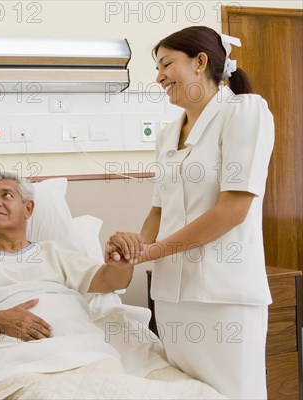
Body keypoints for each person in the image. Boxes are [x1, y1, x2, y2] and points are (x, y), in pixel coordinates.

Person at [107, 26, 274, 399]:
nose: (159, 76)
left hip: (224, 296)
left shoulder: (244, 112)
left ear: (200, 63)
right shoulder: (167, 135)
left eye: (166, 63)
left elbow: (233, 210)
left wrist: (153, 251)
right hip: (170, 297)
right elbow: (158, 210)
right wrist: (134, 250)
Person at [0, 173, 166, 398]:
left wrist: (121, 262)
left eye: (6, 195)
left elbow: (109, 281)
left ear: (28, 208)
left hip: (85, 353)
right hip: (13, 362)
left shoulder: (54, 252)